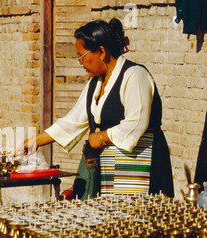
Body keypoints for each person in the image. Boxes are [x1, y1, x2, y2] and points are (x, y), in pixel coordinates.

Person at [17, 18, 174, 198]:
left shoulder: (135, 75)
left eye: (81, 56)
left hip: (143, 166)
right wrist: (35, 141)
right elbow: (72, 121)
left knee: (139, 220)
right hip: (112, 168)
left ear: (101, 52)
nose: (79, 62)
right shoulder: (95, 84)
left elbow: (136, 122)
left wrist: (101, 137)